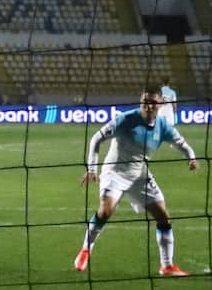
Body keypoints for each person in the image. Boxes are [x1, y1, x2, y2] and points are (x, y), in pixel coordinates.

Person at [74, 85, 199, 275]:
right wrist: (92, 169)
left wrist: (191, 157)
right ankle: (85, 249)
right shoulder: (126, 120)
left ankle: (167, 266)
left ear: (161, 103)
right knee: (105, 211)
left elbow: (180, 142)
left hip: (140, 174)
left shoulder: (163, 125)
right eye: (144, 102)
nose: (148, 106)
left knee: (163, 217)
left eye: (152, 103)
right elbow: (96, 139)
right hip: (115, 172)